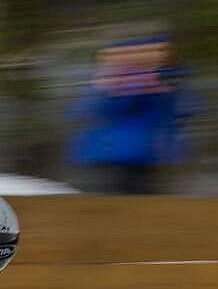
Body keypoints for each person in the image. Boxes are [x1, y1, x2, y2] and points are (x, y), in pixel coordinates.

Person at [66, 35, 197, 194]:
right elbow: (181, 109)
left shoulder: (110, 80)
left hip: (121, 148)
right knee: (132, 189)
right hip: (132, 148)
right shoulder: (144, 80)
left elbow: (82, 110)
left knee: (127, 189)